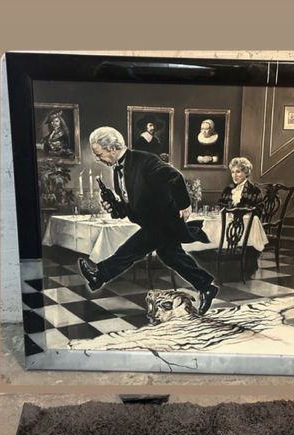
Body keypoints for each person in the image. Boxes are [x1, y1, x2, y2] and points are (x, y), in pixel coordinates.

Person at [77, 126, 218, 315]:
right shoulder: (117, 170)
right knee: (170, 254)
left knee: (132, 248)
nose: (97, 159)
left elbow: (174, 176)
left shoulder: (145, 160)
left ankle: (99, 275)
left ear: (112, 148)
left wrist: (184, 205)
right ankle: (206, 286)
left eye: (99, 154)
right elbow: (130, 207)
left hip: (164, 220)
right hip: (151, 223)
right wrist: (114, 208)